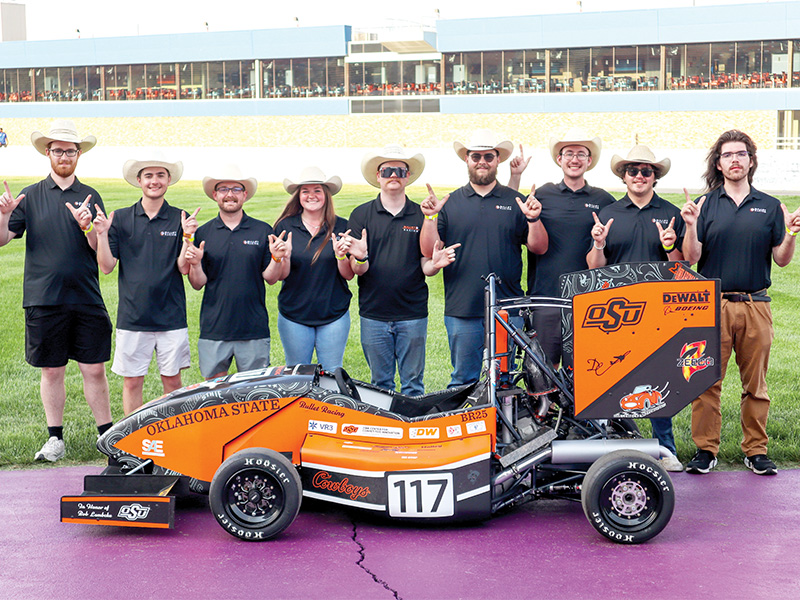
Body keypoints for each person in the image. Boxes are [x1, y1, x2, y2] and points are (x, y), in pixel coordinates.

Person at [681, 129, 800, 476]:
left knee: (756, 386)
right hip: (711, 305)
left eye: (741, 154)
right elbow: (691, 257)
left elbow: (781, 259)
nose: (735, 160)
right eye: (728, 155)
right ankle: (706, 449)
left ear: (751, 160)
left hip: (755, 305)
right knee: (705, 382)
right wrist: (690, 226)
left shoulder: (769, 205)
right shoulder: (705, 205)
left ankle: (756, 450)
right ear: (718, 164)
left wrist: (791, 233)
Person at [0, 119, 112, 461]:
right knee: (52, 370)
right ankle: (55, 439)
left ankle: (107, 437)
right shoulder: (30, 196)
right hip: (43, 297)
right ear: (47, 153)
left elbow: (99, 249)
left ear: (79, 155)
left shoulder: (91, 196)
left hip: (86, 295)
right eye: (58, 150)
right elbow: (2, 239)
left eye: (70, 151)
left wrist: (87, 226)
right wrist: (4, 217)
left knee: (94, 368)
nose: (64, 156)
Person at [420, 129, 548, 387]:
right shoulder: (451, 203)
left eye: (488, 156)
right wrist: (430, 217)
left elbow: (539, 247)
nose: (482, 161)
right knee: (463, 380)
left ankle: (501, 428)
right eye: (475, 156)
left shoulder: (515, 201)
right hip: (463, 308)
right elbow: (427, 250)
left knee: (503, 381)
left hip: (507, 308)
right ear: (466, 159)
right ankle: (466, 427)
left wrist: (533, 219)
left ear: (497, 160)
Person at [587, 144, 685, 472]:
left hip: (658, 311)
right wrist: (599, 243)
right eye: (633, 171)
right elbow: (593, 266)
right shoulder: (609, 213)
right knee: (613, 376)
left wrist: (670, 245)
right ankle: (613, 442)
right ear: (623, 177)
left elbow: (683, 266)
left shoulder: (670, 213)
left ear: (654, 177)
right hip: (617, 311)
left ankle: (665, 447)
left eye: (646, 171)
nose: (640, 176)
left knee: (658, 380)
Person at [345, 145, 459, 396]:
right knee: (380, 385)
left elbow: (426, 263)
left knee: (413, 386)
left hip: (412, 313)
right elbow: (356, 270)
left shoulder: (422, 214)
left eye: (399, 170)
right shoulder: (361, 214)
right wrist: (361, 257)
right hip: (373, 314)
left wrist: (435, 263)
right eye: (387, 170)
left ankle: (413, 432)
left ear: (408, 176)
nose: (393, 175)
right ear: (378, 176)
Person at [93, 153, 199, 415]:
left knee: (173, 383)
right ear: (139, 181)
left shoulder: (179, 218)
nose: (155, 181)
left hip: (171, 316)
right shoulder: (121, 218)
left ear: (169, 180)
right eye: (149, 176)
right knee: (132, 383)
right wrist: (102, 235)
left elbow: (184, 268)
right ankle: (131, 444)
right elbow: (106, 267)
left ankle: (173, 439)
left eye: (160, 175)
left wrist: (188, 238)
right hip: (133, 317)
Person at [508, 128, 614, 368]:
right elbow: (509, 215)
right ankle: (544, 408)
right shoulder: (542, 195)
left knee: (587, 369)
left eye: (580, 154)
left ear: (589, 160)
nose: (574, 159)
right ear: (559, 159)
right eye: (568, 153)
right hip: (547, 297)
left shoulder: (604, 200)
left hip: (589, 299)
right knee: (543, 370)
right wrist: (515, 177)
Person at [185, 165, 290, 378]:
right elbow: (197, 283)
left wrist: (277, 258)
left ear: (245, 194)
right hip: (214, 329)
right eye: (223, 189)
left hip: (253, 329)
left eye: (236, 189)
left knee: (253, 395)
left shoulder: (262, 231)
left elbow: (270, 279)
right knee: (214, 395)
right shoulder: (203, 232)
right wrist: (195, 264)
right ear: (215, 195)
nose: (230, 194)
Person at [273, 167, 354, 370]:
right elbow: (280, 276)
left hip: (334, 314)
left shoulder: (342, 226)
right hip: (294, 316)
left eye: (317, 190)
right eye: (305, 191)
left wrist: (341, 256)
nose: (311, 196)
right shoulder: (284, 227)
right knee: (297, 377)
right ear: (298, 196)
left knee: (332, 375)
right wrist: (284, 258)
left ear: (326, 195)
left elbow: (349, 274)